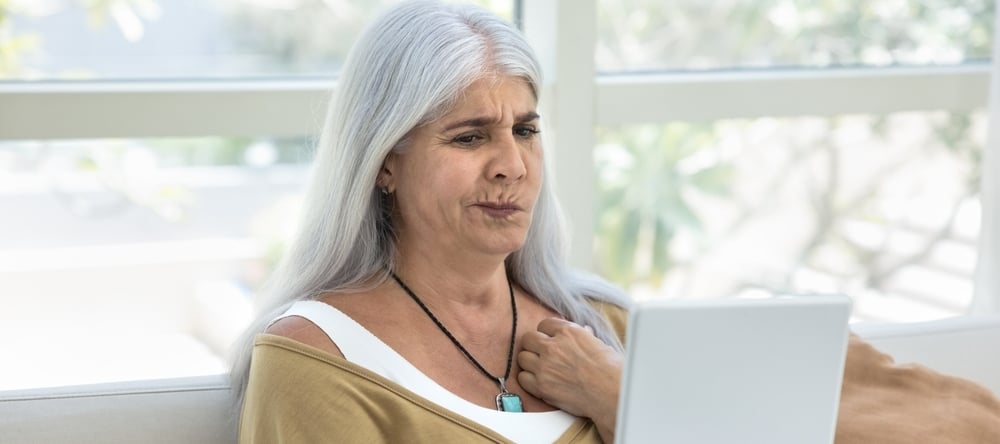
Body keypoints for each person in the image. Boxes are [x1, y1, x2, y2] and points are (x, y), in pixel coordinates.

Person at [230, 1, 630, 442]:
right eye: (469, 137)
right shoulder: (317, 357)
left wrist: (617, 399)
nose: (512, 166)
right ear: (384, 164)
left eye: (524, 131)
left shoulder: (609, 329)